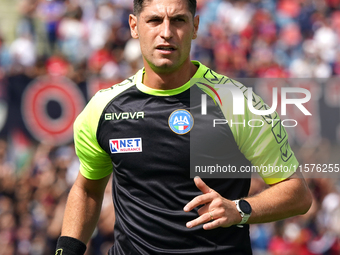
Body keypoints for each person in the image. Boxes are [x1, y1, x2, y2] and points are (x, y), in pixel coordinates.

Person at [55, 0, 312, 254]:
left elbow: (297, 194)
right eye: (154, 20)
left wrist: (239, 210)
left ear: (195, 26)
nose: (166, 33)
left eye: (178, 20)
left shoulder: (237, 102)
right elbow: (87, 190)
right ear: (134, 26)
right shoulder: (103, 108)